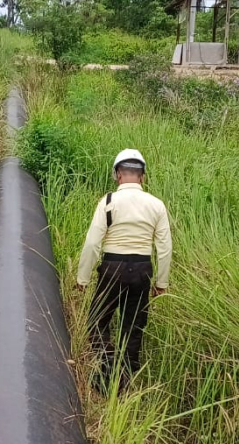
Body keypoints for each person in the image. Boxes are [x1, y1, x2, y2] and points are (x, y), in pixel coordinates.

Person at [76, 149, 172, 394]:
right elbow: (164, 248)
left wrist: (82, 278)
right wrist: (161, 283)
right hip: (142, 271)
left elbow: (92, 243)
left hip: (112, 269)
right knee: (133, 326)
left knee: (98, 321)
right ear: (142, 177)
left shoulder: (108, 202)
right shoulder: (157, 205)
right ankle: (124, 384)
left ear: (118, 175)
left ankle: (104, 374)